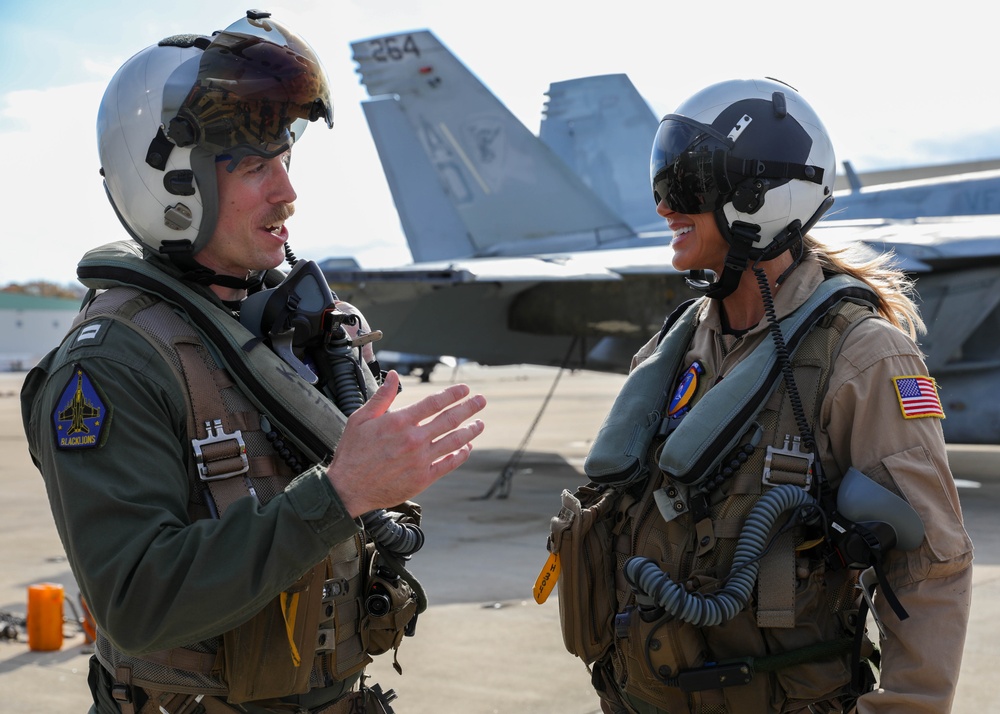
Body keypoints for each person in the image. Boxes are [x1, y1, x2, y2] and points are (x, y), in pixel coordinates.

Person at [21, 10, 486, 714]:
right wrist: (339, 494)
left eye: (286, 160)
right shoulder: (114, 364)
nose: (287, 193)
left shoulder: (290, 330)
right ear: (172, 184)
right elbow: (136, 603)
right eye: (253, 166)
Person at [547, 78, 972, 713]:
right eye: (662, 185)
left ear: (760, 198)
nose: (663, 208)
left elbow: (929, 565)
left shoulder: (862, 356)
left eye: (685, 188)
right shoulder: (672, 350)